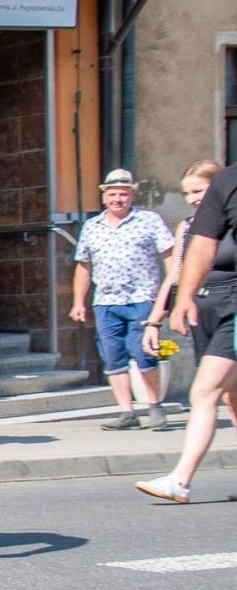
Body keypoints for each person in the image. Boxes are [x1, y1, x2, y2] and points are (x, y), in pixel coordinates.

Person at [136, 161, 237, 502]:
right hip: (205, 310)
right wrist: (156, 319)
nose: (193, 199)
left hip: (233, 307)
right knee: (231, 399)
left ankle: (180, 480)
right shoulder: (190, 227)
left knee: (204, 392)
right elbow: (175, 274)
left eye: (199, 191)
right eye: (187, 193)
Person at [70, 168, 176, 431]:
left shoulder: (149, 220)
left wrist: (171, 291)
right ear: (104, 197)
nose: (118, 199)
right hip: (106, 301)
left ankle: (154, 406)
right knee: (112, 357)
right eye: (113, 194)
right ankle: (126, 411)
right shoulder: (92, 226)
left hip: (142, 298)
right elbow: (84, 266)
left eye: (124, 194)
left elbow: (170, 257)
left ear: (133, 196)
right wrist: (78, 301)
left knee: (143, 352)